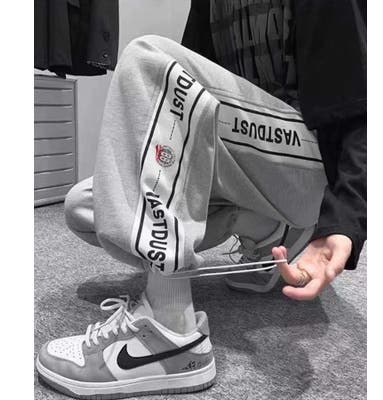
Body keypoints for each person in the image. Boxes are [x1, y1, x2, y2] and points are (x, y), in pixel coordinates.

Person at [36, 1, 366, 398]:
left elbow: (369, 105)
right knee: (85, 205)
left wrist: (345, 219)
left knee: (150, 59)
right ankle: (270, 232)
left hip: (308, 165)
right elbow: (182, 113)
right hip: (251, 162)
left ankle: (170, 333)